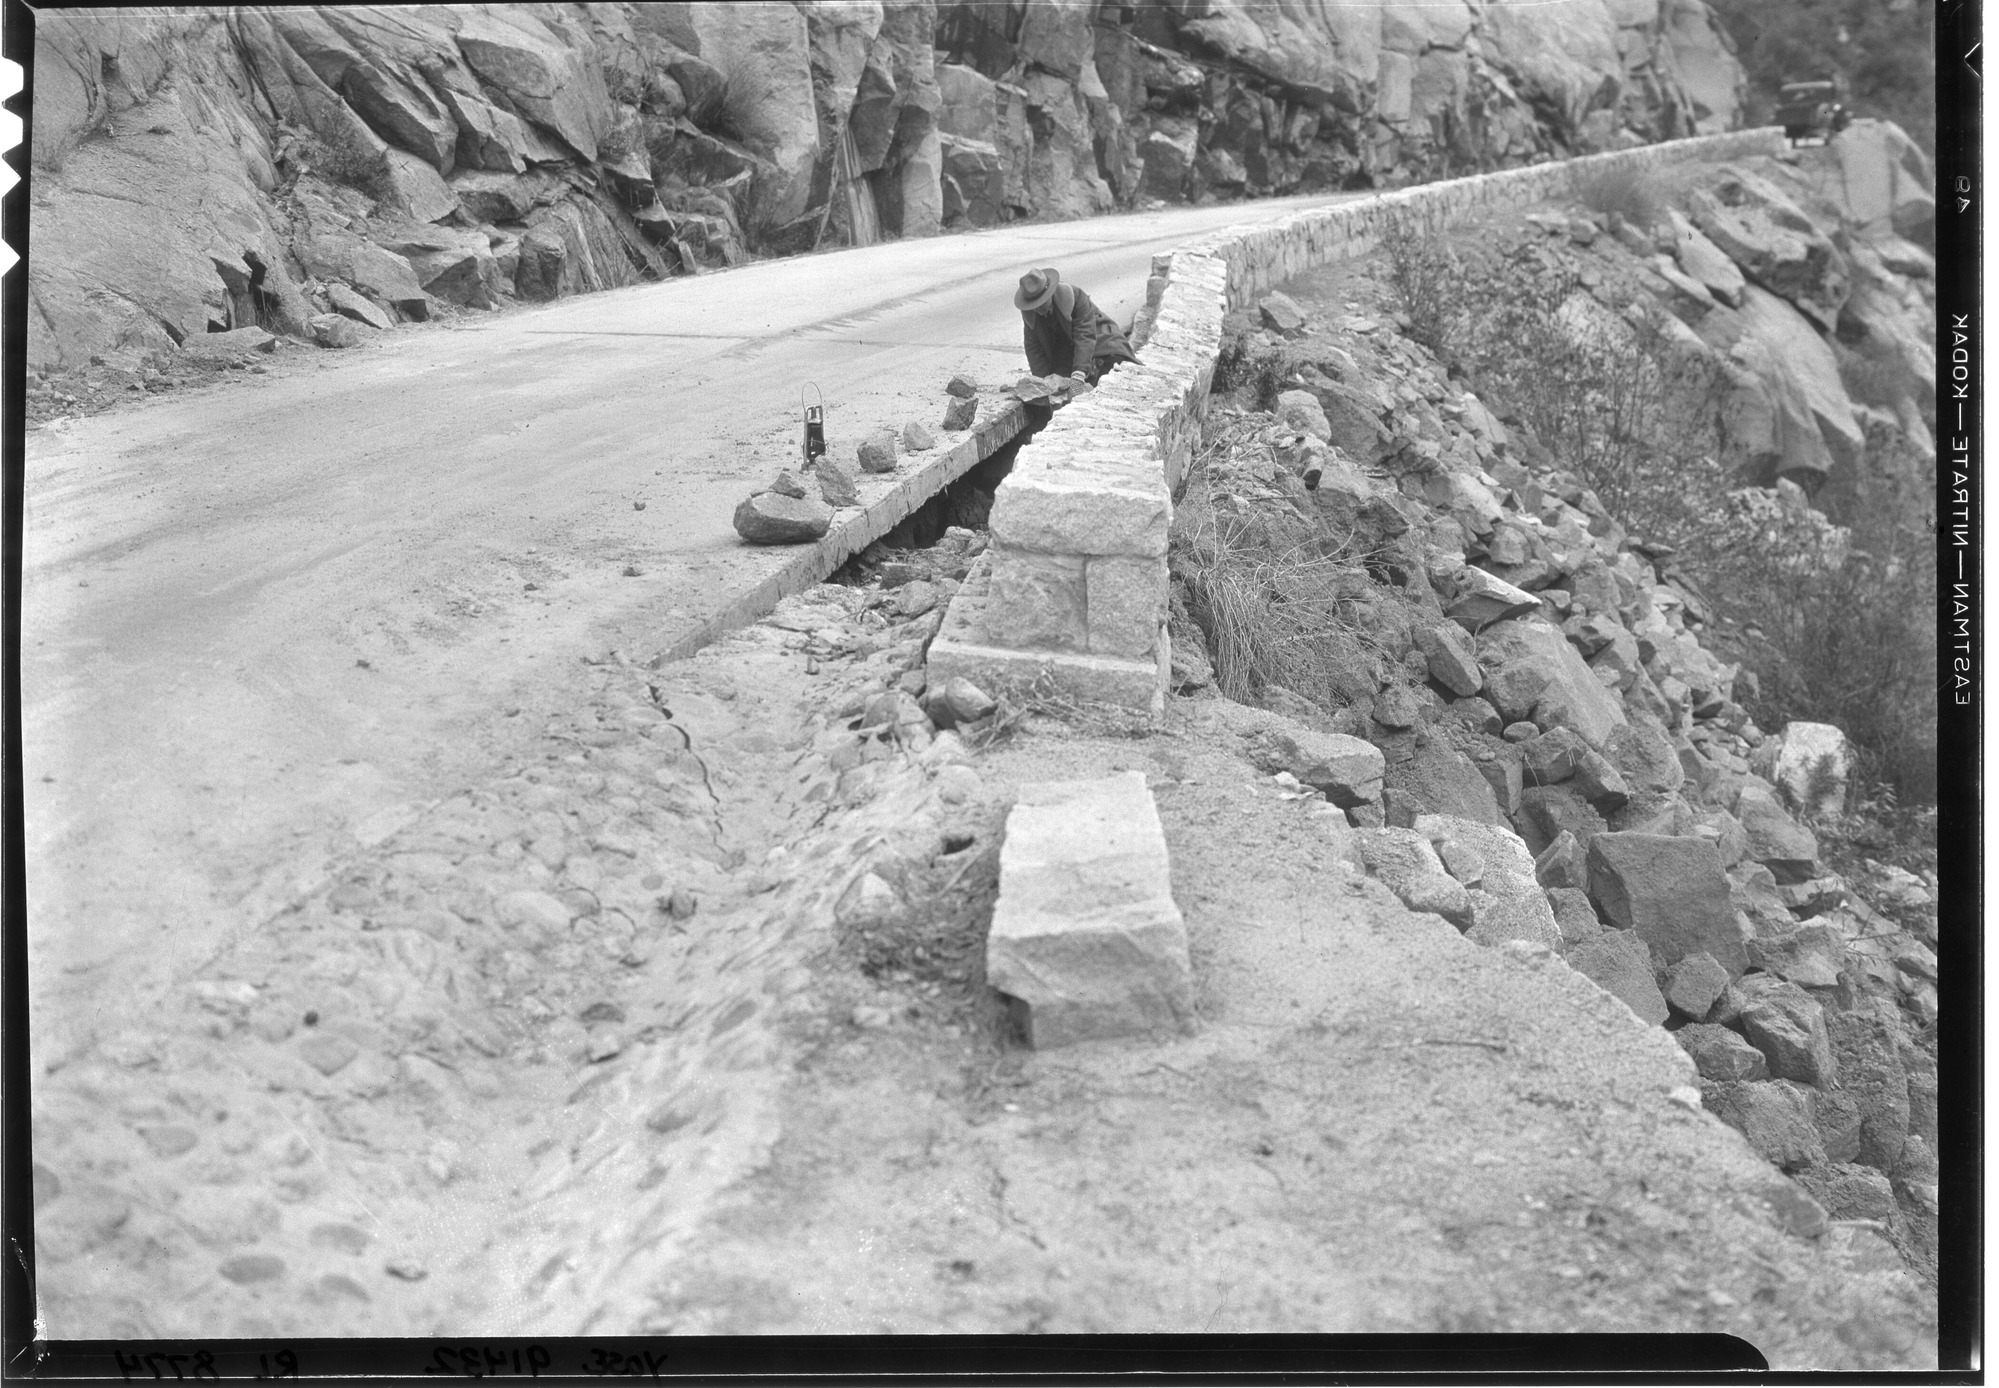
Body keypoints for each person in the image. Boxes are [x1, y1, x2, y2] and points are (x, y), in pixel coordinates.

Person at [1015, 267, 1138, 390]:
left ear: (1050, 294)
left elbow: (1085, 335)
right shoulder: (1031, 312)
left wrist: (1079, 374)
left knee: (1101, 383)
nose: (1038, 309)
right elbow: (1033, 347)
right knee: (1058, 384)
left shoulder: (1076, 296)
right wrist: (1042, 382)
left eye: (1042, 303)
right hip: (1067, 350)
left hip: (1101, 342)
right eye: (1035, 306)